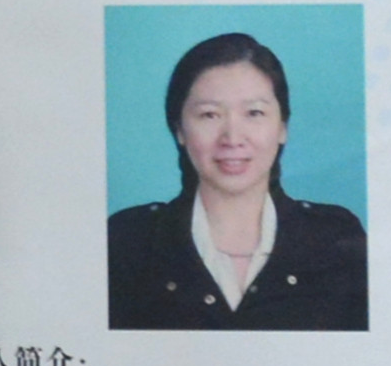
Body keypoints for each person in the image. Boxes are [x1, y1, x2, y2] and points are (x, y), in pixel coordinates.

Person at [107, 32, 364, 330]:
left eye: (254, 113)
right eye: (209, 115)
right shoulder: (128, 242)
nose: (232, 138)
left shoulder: (335, 239)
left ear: (282, 127)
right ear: (179, 130)